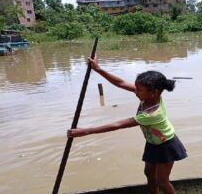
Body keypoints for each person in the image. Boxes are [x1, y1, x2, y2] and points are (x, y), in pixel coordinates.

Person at [67, 55, 187, 194]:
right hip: (153, 143)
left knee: (162, 181)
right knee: (149, 173)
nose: (136, 92)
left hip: (166, 145)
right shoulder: (150, 96)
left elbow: (118, 124)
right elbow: (121, 83)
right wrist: (98, 69)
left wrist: (87, 131)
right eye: (136, 88)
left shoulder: (152, 114)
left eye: (139, 90)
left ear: (153, 93)